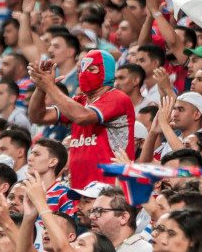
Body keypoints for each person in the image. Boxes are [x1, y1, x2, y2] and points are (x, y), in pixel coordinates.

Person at [27, 50, 135, 189]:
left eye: (91, 69)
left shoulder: (117, 98)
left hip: (111, 189)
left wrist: (49, 86)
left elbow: (81, 117)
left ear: (107, 72)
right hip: (79, 190)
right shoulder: (79, 101)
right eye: (81, 70)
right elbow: (38, 116)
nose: (84, 73)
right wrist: (41, 88)